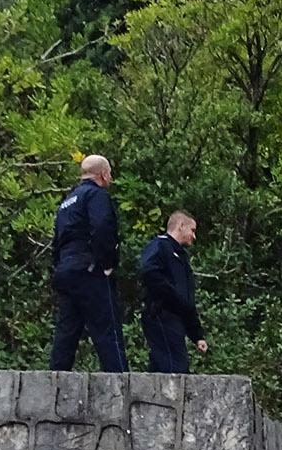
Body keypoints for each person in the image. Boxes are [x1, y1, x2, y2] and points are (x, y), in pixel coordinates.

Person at [48, 155, 128, 372]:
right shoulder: (96, 195)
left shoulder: (66, 202)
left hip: (66, 271)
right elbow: (102, 227)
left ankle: (55, 380)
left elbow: (57, 241)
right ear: (103, 174)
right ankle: (120, 384)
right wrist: (106, 263)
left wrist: (60, 266)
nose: (110, 178)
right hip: (90, 270)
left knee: (66, 332)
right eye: (109, 174)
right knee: (107, 329)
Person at [136, 210, 210, 374]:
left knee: (164, 366)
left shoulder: (182, 258)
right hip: (161, 314)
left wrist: (197, 335)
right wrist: (169, 295)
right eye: (192, 230)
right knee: (175, 367)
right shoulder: (160, 246)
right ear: (181, 226)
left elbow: (187, 301)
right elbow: (148, 272)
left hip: (176, 319)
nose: (194, 236)